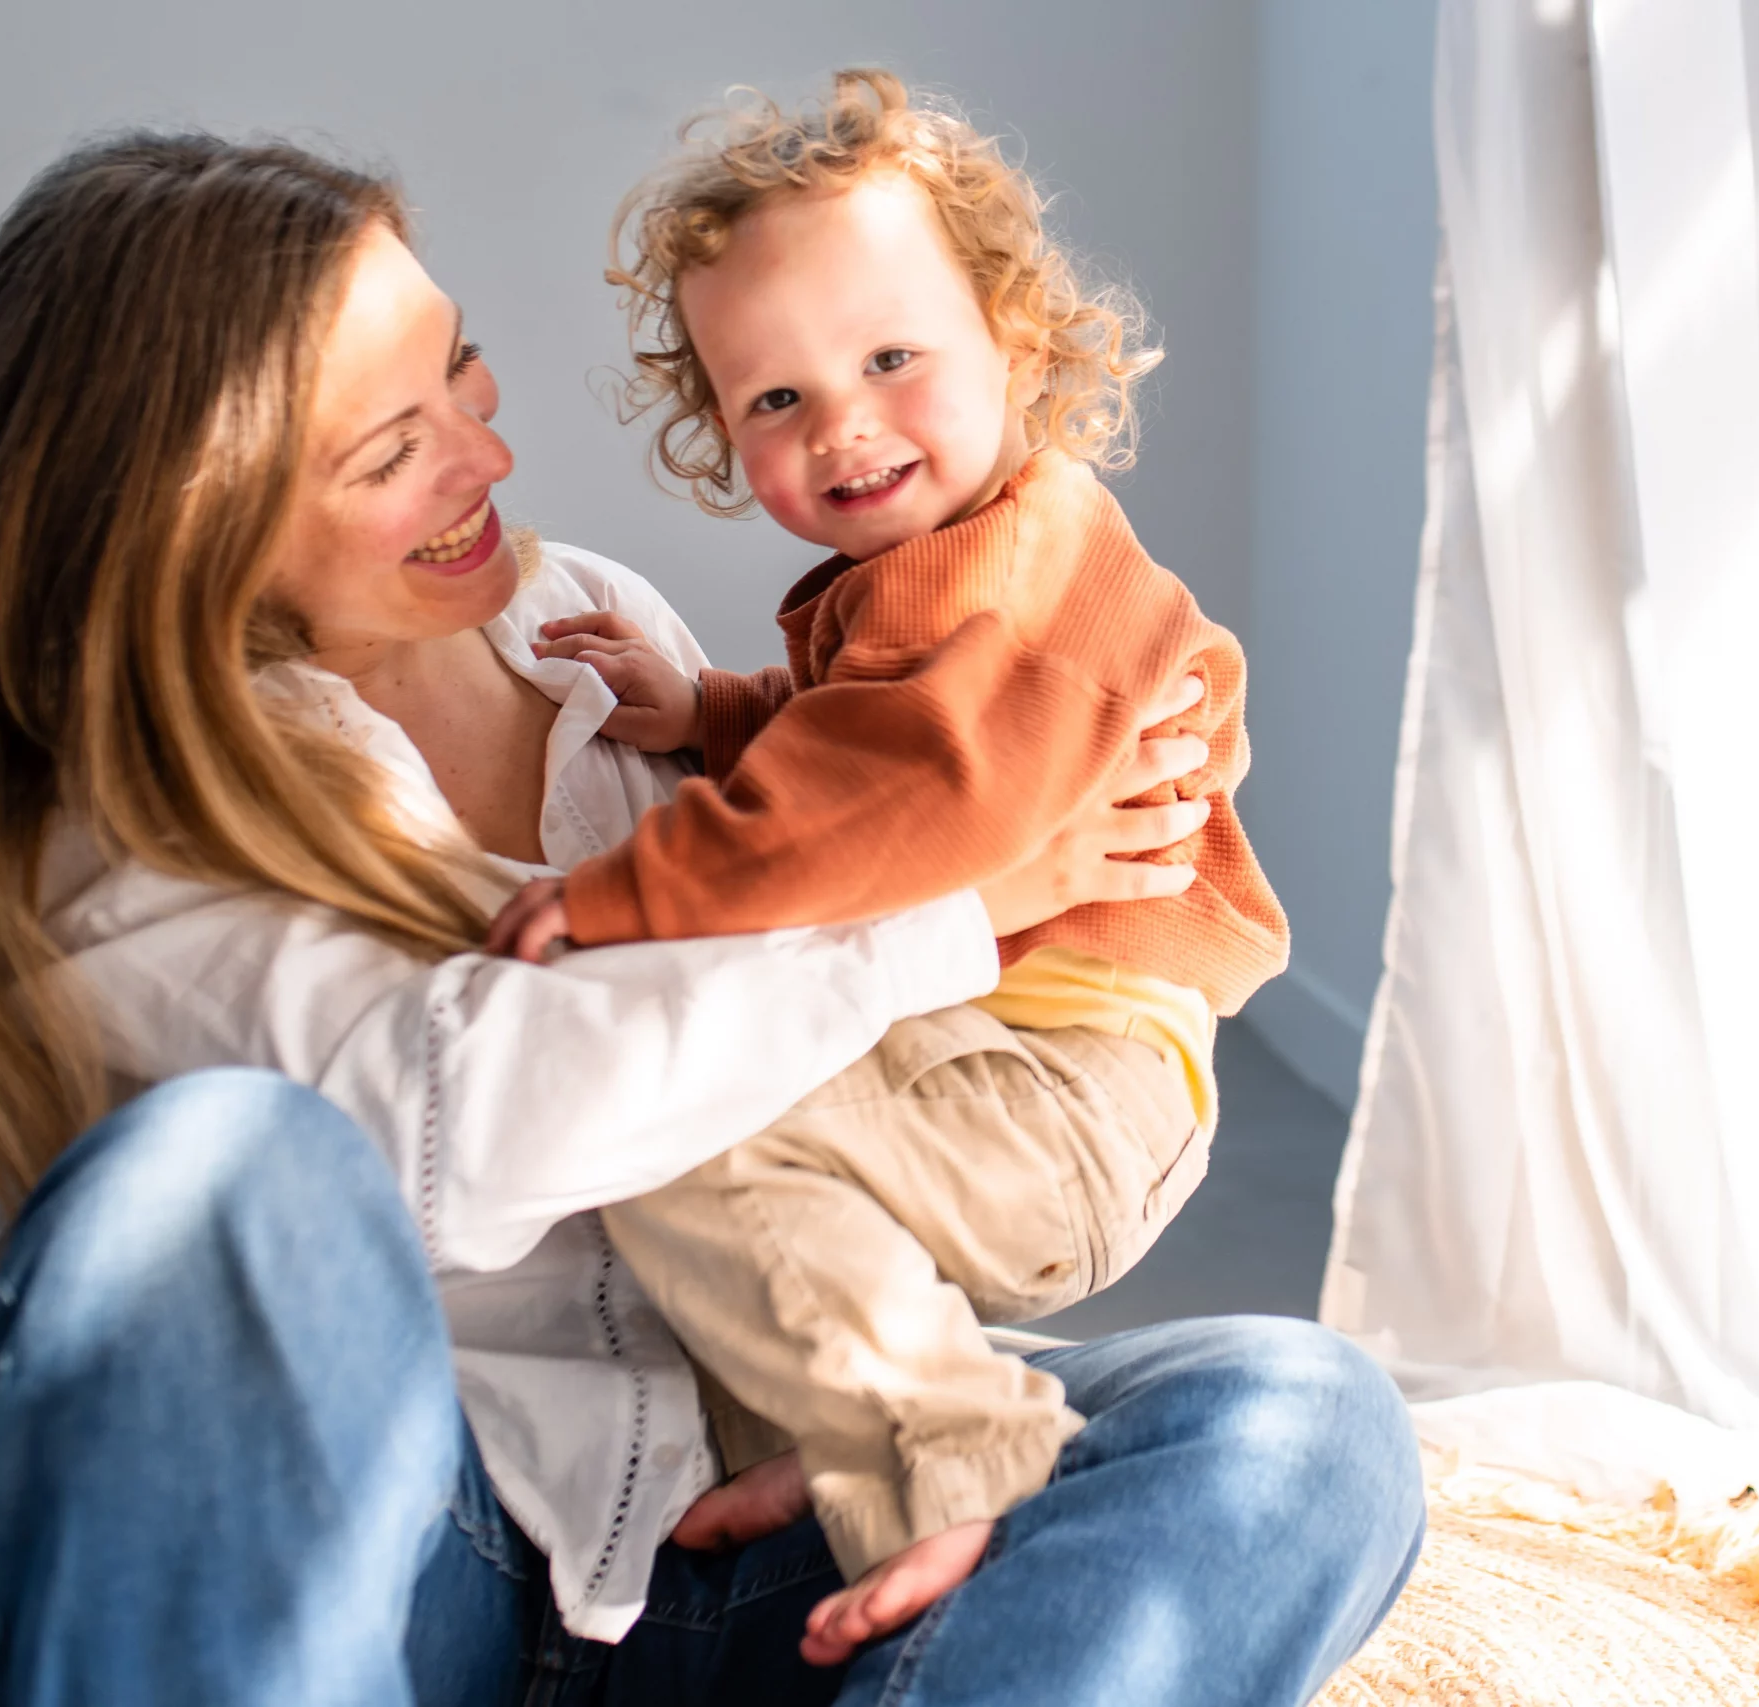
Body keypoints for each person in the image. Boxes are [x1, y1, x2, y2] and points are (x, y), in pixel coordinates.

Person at [0, 130, 1424, 1706]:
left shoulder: (580, 632)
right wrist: (961, 905)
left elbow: (801, 965)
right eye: (391, 450)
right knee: (219, 1171)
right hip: (401, 1548)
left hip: (700, 1509)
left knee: (1297, 1421)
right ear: (188, 534)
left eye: (465, 368)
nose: (486, 457)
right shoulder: (124, 830)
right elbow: (474, 1123)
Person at [484, 69, 1287, 1646]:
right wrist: (712, 708)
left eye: (891, 358)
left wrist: (614, 891)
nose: (841, 424)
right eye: (773, 400)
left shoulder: (995, 580)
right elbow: (865, 726)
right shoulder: (964, 564)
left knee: (692, 1123)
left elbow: (883, 804)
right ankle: (819, 1438)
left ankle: (953, 1452)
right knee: (739, 1121)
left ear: (1021, 339)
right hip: (1045, 1055)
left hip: (1062, 1091)